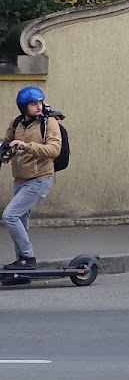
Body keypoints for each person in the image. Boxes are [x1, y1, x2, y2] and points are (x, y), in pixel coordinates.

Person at [2, 86, 61, 270]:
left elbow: (54, 150)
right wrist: (7, 148)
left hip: (39, 179)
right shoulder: (17, 122)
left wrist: (26, 146)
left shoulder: (49, 123)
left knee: (10, 216)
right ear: (23, 107)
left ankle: (27, 258)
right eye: (33, 104)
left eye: (40, 102)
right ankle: (22, 266)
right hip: (20, 179)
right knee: (21, 221)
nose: (39, 107)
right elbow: (7, 142)